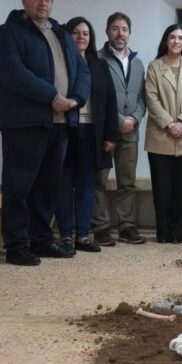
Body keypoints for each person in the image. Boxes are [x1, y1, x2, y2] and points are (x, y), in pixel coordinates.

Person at [0, 0, 90, 266]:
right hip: (24, 122)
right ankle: (17, 245)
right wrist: (51, 96)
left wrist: (76, 99)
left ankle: (41, 240)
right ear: (24, 0)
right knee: (20, 186)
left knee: (48, 187)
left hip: (59, 122)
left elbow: (82, 71)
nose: (42, 3)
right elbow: (13, 73)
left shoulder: (61, 34)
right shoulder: (9, 32)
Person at [55, 17, 120, 254]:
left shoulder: (99, 65)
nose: (81, 37)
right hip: (65, 129)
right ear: (67, 36)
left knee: (87, 186)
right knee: (64, 184)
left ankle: (83, 235)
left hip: (93, 131)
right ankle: (64, 236)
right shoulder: (60, 63)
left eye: (86, 33)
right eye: (76, 33)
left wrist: (111, 135)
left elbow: (111, 101)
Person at [144, 24, 182, 244]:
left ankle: (178, 234)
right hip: (161, 136)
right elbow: (151, 99)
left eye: (180, 38)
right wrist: (170, 124)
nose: (176, 41)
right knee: (162, 190)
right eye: (172, 37)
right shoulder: (155, 67)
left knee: (181, 190)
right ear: (166, 41)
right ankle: (163, 233)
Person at [93, 12, 147, 246]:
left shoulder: (137, 62)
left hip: (130, 132)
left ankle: (127, 226)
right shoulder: (96, 59)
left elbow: (142, 98)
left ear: (129, 32)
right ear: (107, 32)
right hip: (105, 131)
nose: (120, 33)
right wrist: (119, 120)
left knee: (127, 182)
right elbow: (96, 97)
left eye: (124, 29)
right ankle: (101, 227)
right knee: (99, 181)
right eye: (115, 28)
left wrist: (134, 118)